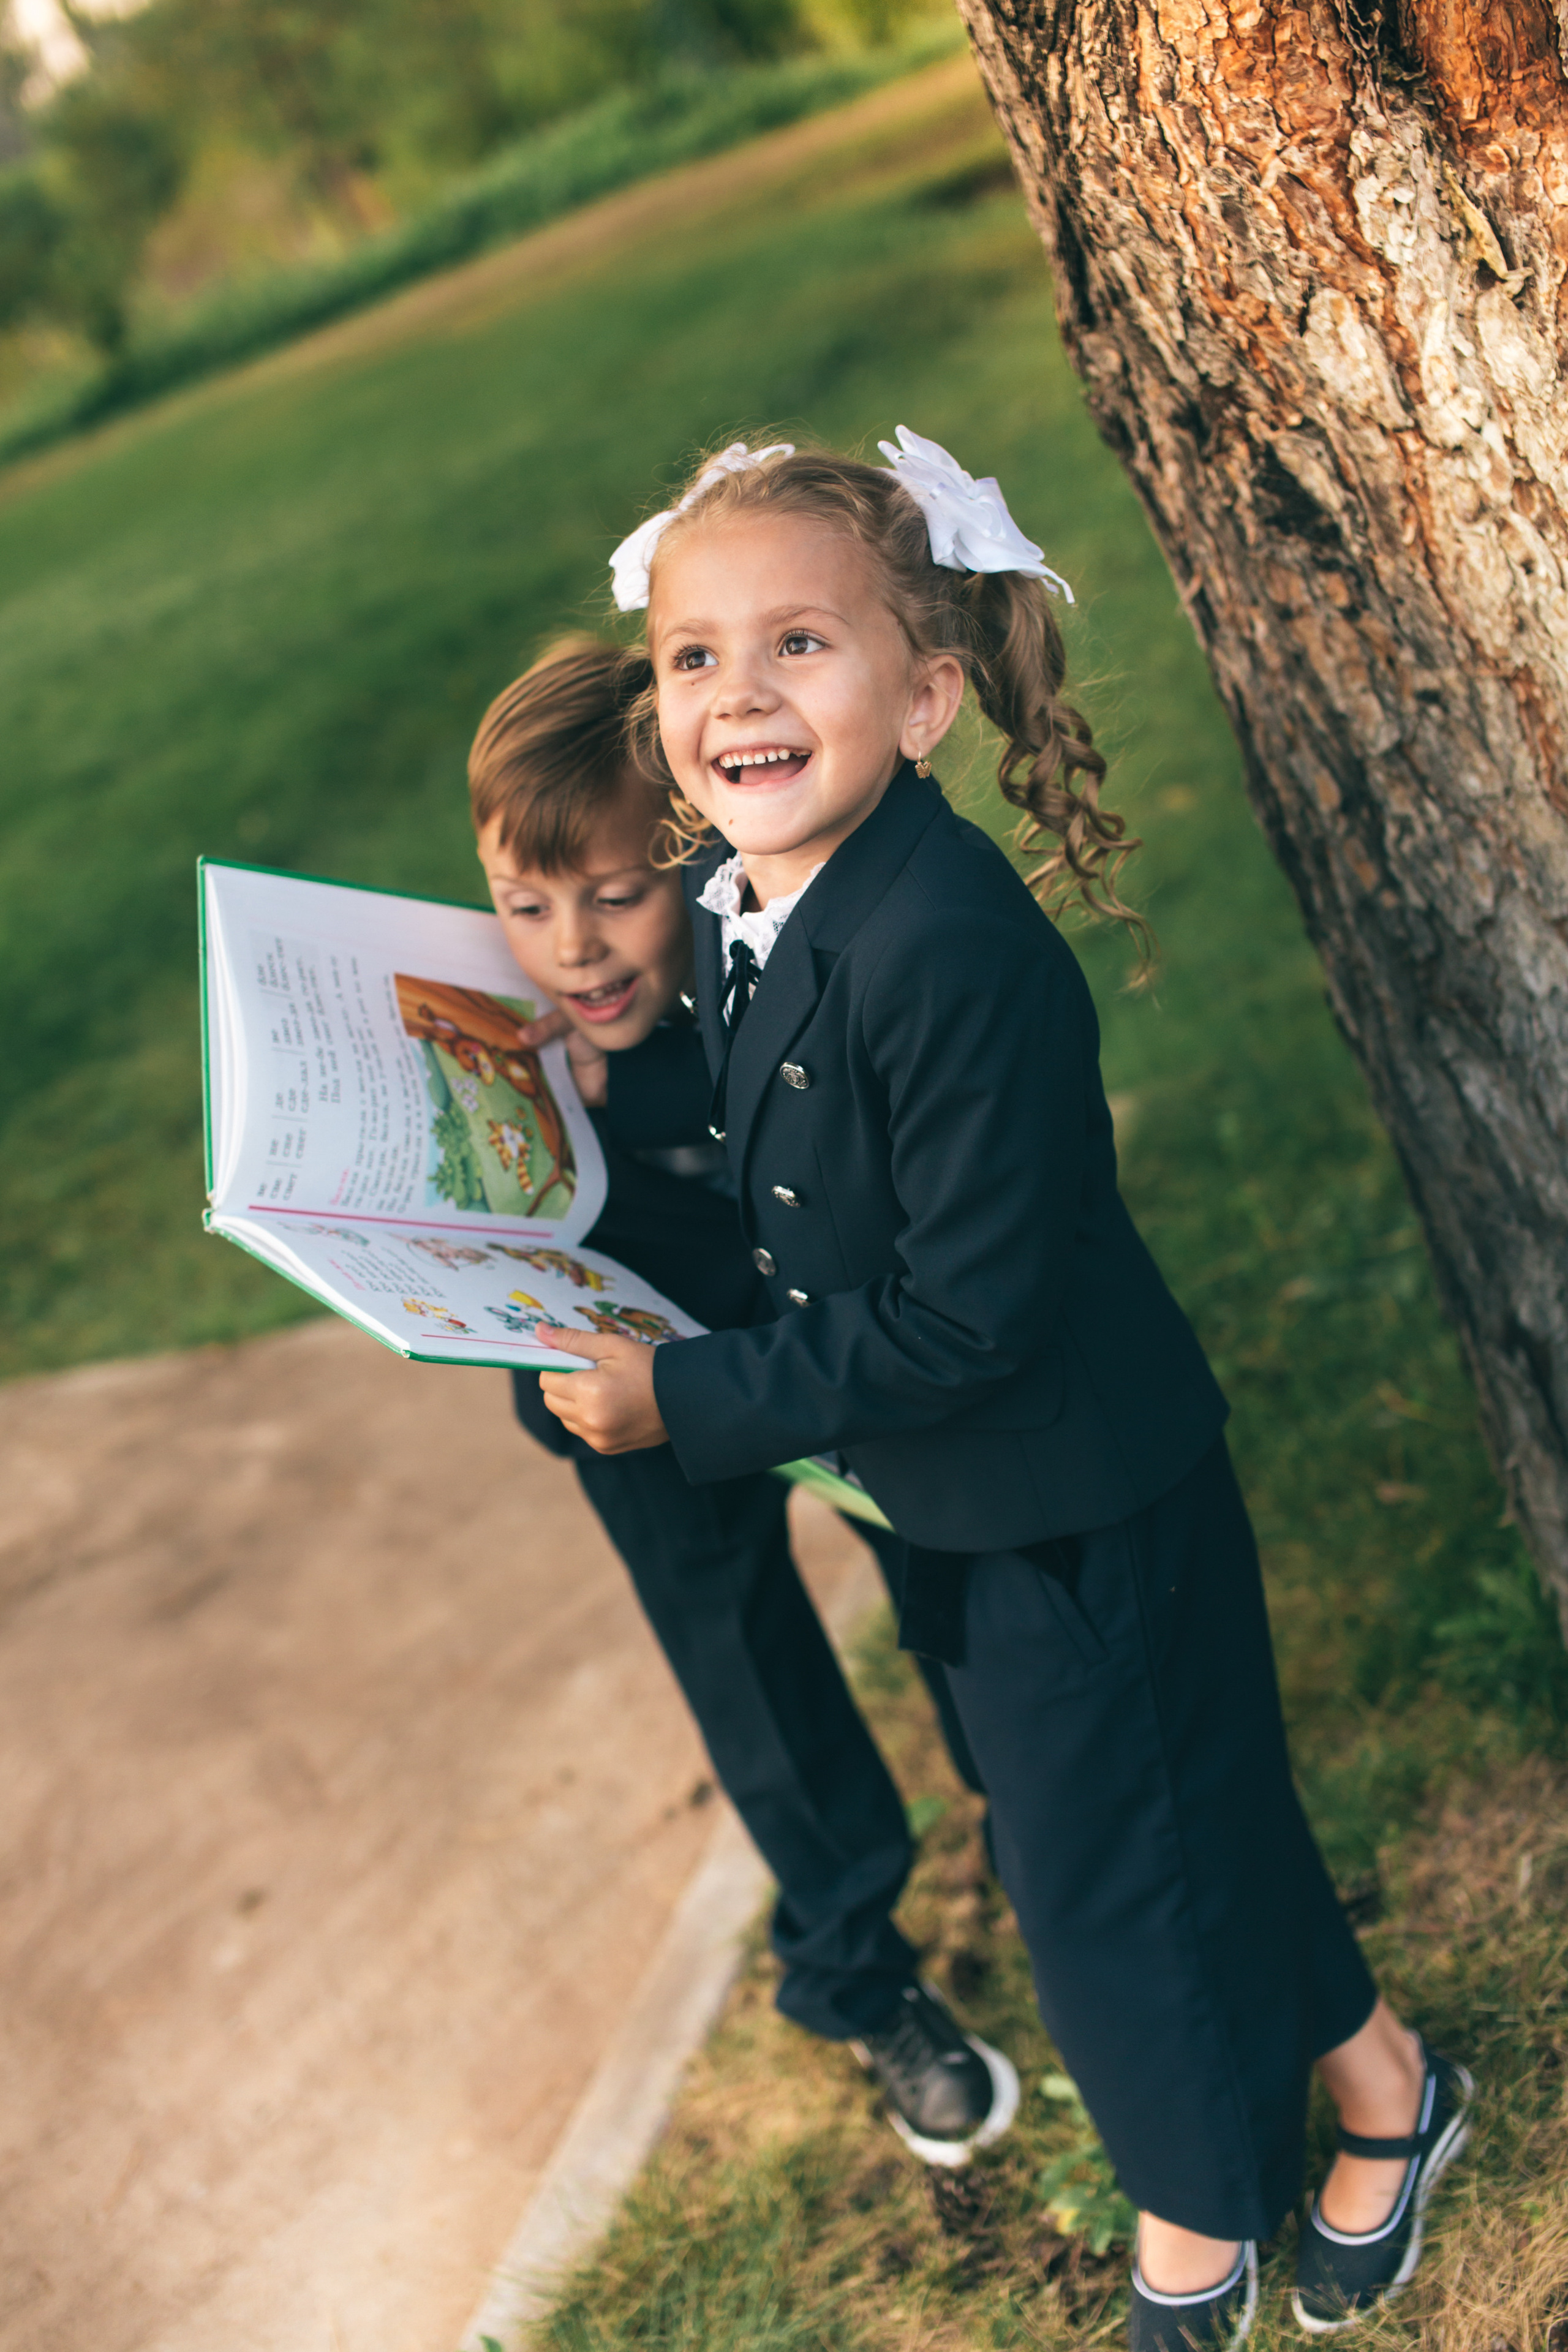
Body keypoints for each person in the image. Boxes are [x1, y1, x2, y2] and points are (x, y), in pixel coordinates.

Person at [535, 436, 1474, 2346]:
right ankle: (1386, 2080)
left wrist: (695, 1400)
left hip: (1069, 1493)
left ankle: (1197, 2225)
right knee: (1175, 1807)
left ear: (930, 693)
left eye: (799, 643)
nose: (739, 695)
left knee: (1104, 1882)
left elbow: (974, 1320)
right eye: (695, 658)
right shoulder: (754, 893)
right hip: (952, 1498)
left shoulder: (949, 947)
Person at [467, 638, 1018, 2164]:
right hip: (628, 1390)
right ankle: (854, 1973)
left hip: (826, 1351)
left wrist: (606, 1089)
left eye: (612, 895)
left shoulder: (775, 962)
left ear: (701, 853)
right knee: (745, 1669)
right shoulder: (527, 1032)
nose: (570, 949)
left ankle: (1034, 1833)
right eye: (525, 907)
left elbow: (743, 1097)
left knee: (959, 1584)